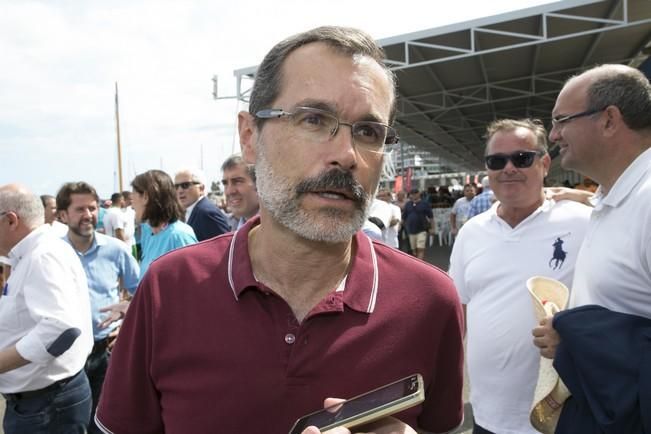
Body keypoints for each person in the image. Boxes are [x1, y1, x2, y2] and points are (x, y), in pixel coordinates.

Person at [95, 26, 464, 434]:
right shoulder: (169, 287)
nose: (345, 154)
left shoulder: (429, 301)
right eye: (313, 119)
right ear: (250, 137)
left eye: (368, 131)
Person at [449, 119, 591, 434]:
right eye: (496, 161)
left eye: (522, 158)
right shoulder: (472, 232)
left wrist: (593, 197)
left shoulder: (584, 221)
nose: (508, 168)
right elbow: (460, 311)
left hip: (560, 414)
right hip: (487, 416)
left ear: (544, 163)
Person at [532, 64, 651, 432]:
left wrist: (575, 337)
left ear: (609, 120)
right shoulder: (613, 198)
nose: (553, 134)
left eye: (562, 120)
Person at [0, 184, 93, 434]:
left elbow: (60, 328)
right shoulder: (32, 253)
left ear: (10, 220)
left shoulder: (42, 255)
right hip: (42, 402)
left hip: (46, 405)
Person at [56, 182, 140, 434]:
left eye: (92, 208)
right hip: (66, 357)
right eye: (79, 209)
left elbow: (142, 293)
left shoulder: (116, 250)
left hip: (108, 353)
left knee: (108, 422)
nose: (88, 215)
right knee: (72, 425)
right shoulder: (53, 253)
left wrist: (126, 322)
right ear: (62, 215)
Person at [132, 170, 197, 278]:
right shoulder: (149, 232)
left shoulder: (179, 235)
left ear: (146, 197)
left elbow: (194, 281)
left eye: (133, 194)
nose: (131, 202)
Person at [174, 167, 230, 241]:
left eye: (185, 185)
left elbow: (225, 244)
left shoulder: (207, 213)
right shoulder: (189, 211)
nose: (180, 191)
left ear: (201, 188)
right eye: (176, 187)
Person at [221, 154, 260, 230]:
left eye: (237, 181)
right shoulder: (233, 229)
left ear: (258, 184)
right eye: (225, 183)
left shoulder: (279, 228)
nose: (229, 191)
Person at [402, 188, 432, 260]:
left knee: (420, 248)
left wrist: (432, 228)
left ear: (419, 193)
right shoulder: (408, 204)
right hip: (411, 230)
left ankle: (420, 263)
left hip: (422, 229)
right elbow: (404, 217)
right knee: (414, 250)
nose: (414, 195)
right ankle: (417, 261)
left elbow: (431, 217)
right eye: (412, 193)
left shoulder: (425, 204)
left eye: (415, 193)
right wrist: (400, 226)